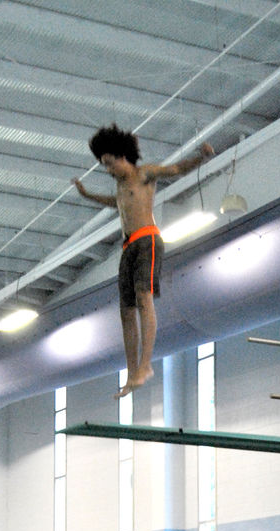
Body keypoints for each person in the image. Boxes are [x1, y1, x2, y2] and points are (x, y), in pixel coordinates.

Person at [73, 125, 214, 398]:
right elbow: (115, 203)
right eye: (105, 166)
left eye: (109, 163)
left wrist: (202, 158)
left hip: (148, 240)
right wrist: (87, 195)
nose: (108, 170)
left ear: (121, 156)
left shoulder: (144, 174)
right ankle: (131, 374)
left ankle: (145, 365)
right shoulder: (120, 186)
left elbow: (176, 170)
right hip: (128, 247)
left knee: (143, 298)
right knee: (126, 311)